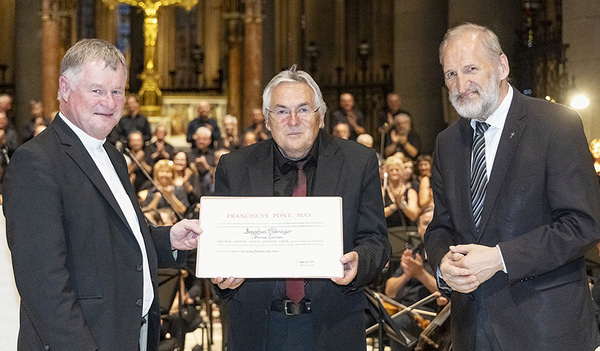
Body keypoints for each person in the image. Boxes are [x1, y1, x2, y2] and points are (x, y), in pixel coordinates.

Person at [2, 38, 202, 351]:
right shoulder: (36, 162)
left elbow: (117, 239)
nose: (109, 103)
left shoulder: (113, 156)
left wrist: (169, 240)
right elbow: (43, 284)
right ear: (64, 89)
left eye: (117, 91)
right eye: (97, 90)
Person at [424, 23, 600, 350]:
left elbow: (583, 224)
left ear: (502, 66)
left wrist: (501, 257)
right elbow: (440, 228)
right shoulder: (447, 142)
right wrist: (443, 268)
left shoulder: (556, 124)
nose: (461, 84)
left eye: (471, 69)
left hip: (545, 330)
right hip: (471, 331)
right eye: (450, 74)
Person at [211, 65, 390, 350]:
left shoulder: (359, 163)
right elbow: (216, 248)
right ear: (268, 121)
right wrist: (222, 275)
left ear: (321, 116)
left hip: (334, 327)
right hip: (256, 330)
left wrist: (360, 261)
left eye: (304, 109)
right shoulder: (234, 167)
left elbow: (377, 241)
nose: (293, 120)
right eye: (281, 111)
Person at [385, 206, 447, 350]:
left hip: (429, 314)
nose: (429, 228)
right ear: (418, 228)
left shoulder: (446, 253)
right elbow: (389, 292)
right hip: (402, 309)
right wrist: (407, 275)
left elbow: (447, 292)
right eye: (425, 223)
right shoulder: (414, 252)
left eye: (433, 223)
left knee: (398, 323)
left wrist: (420, 274)